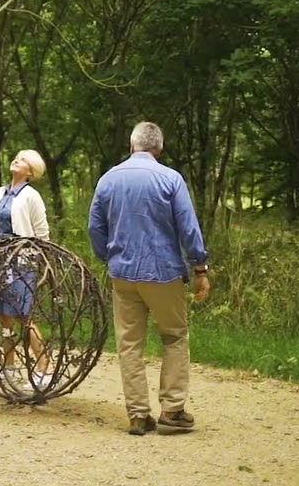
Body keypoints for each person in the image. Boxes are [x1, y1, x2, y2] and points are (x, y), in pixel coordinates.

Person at [88, 122, 210, 435]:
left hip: (122, 274)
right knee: (174, 337)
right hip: (163, 273)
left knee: (129, 344)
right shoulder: (170, 179)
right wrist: (199, 267)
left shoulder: (108, 179)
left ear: (132, 145)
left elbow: (95, 227)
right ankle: (172, 410)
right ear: (159, 149)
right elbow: (188, 226)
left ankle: (138, 415)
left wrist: (108, 256)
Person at [0, 149, 52, 388]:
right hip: (0, 260)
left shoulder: (31, 196)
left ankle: (44, 370)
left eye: (24, 159)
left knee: (24, 314)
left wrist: (39, 261)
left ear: (31, 172)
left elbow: (42, 233)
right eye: (17, 157)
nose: (17, 160)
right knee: (4, 315)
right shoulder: (0, 192)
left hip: (22, 262)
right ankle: (9, 368)